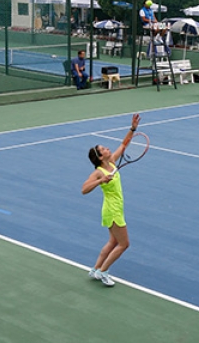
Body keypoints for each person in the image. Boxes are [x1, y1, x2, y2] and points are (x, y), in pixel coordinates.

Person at [82, 113, 141, 287]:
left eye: (107, 148)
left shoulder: (113, 162)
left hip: (113, 209)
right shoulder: (99, 171)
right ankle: (103, 271)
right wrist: (101, 181)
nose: (108, 149)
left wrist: (132, 129)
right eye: (105, 149)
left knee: (113, 242)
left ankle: (95, 269)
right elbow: (84, 189)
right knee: (124, 244)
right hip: (112, 210)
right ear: (100, 157)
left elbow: (124, 144)